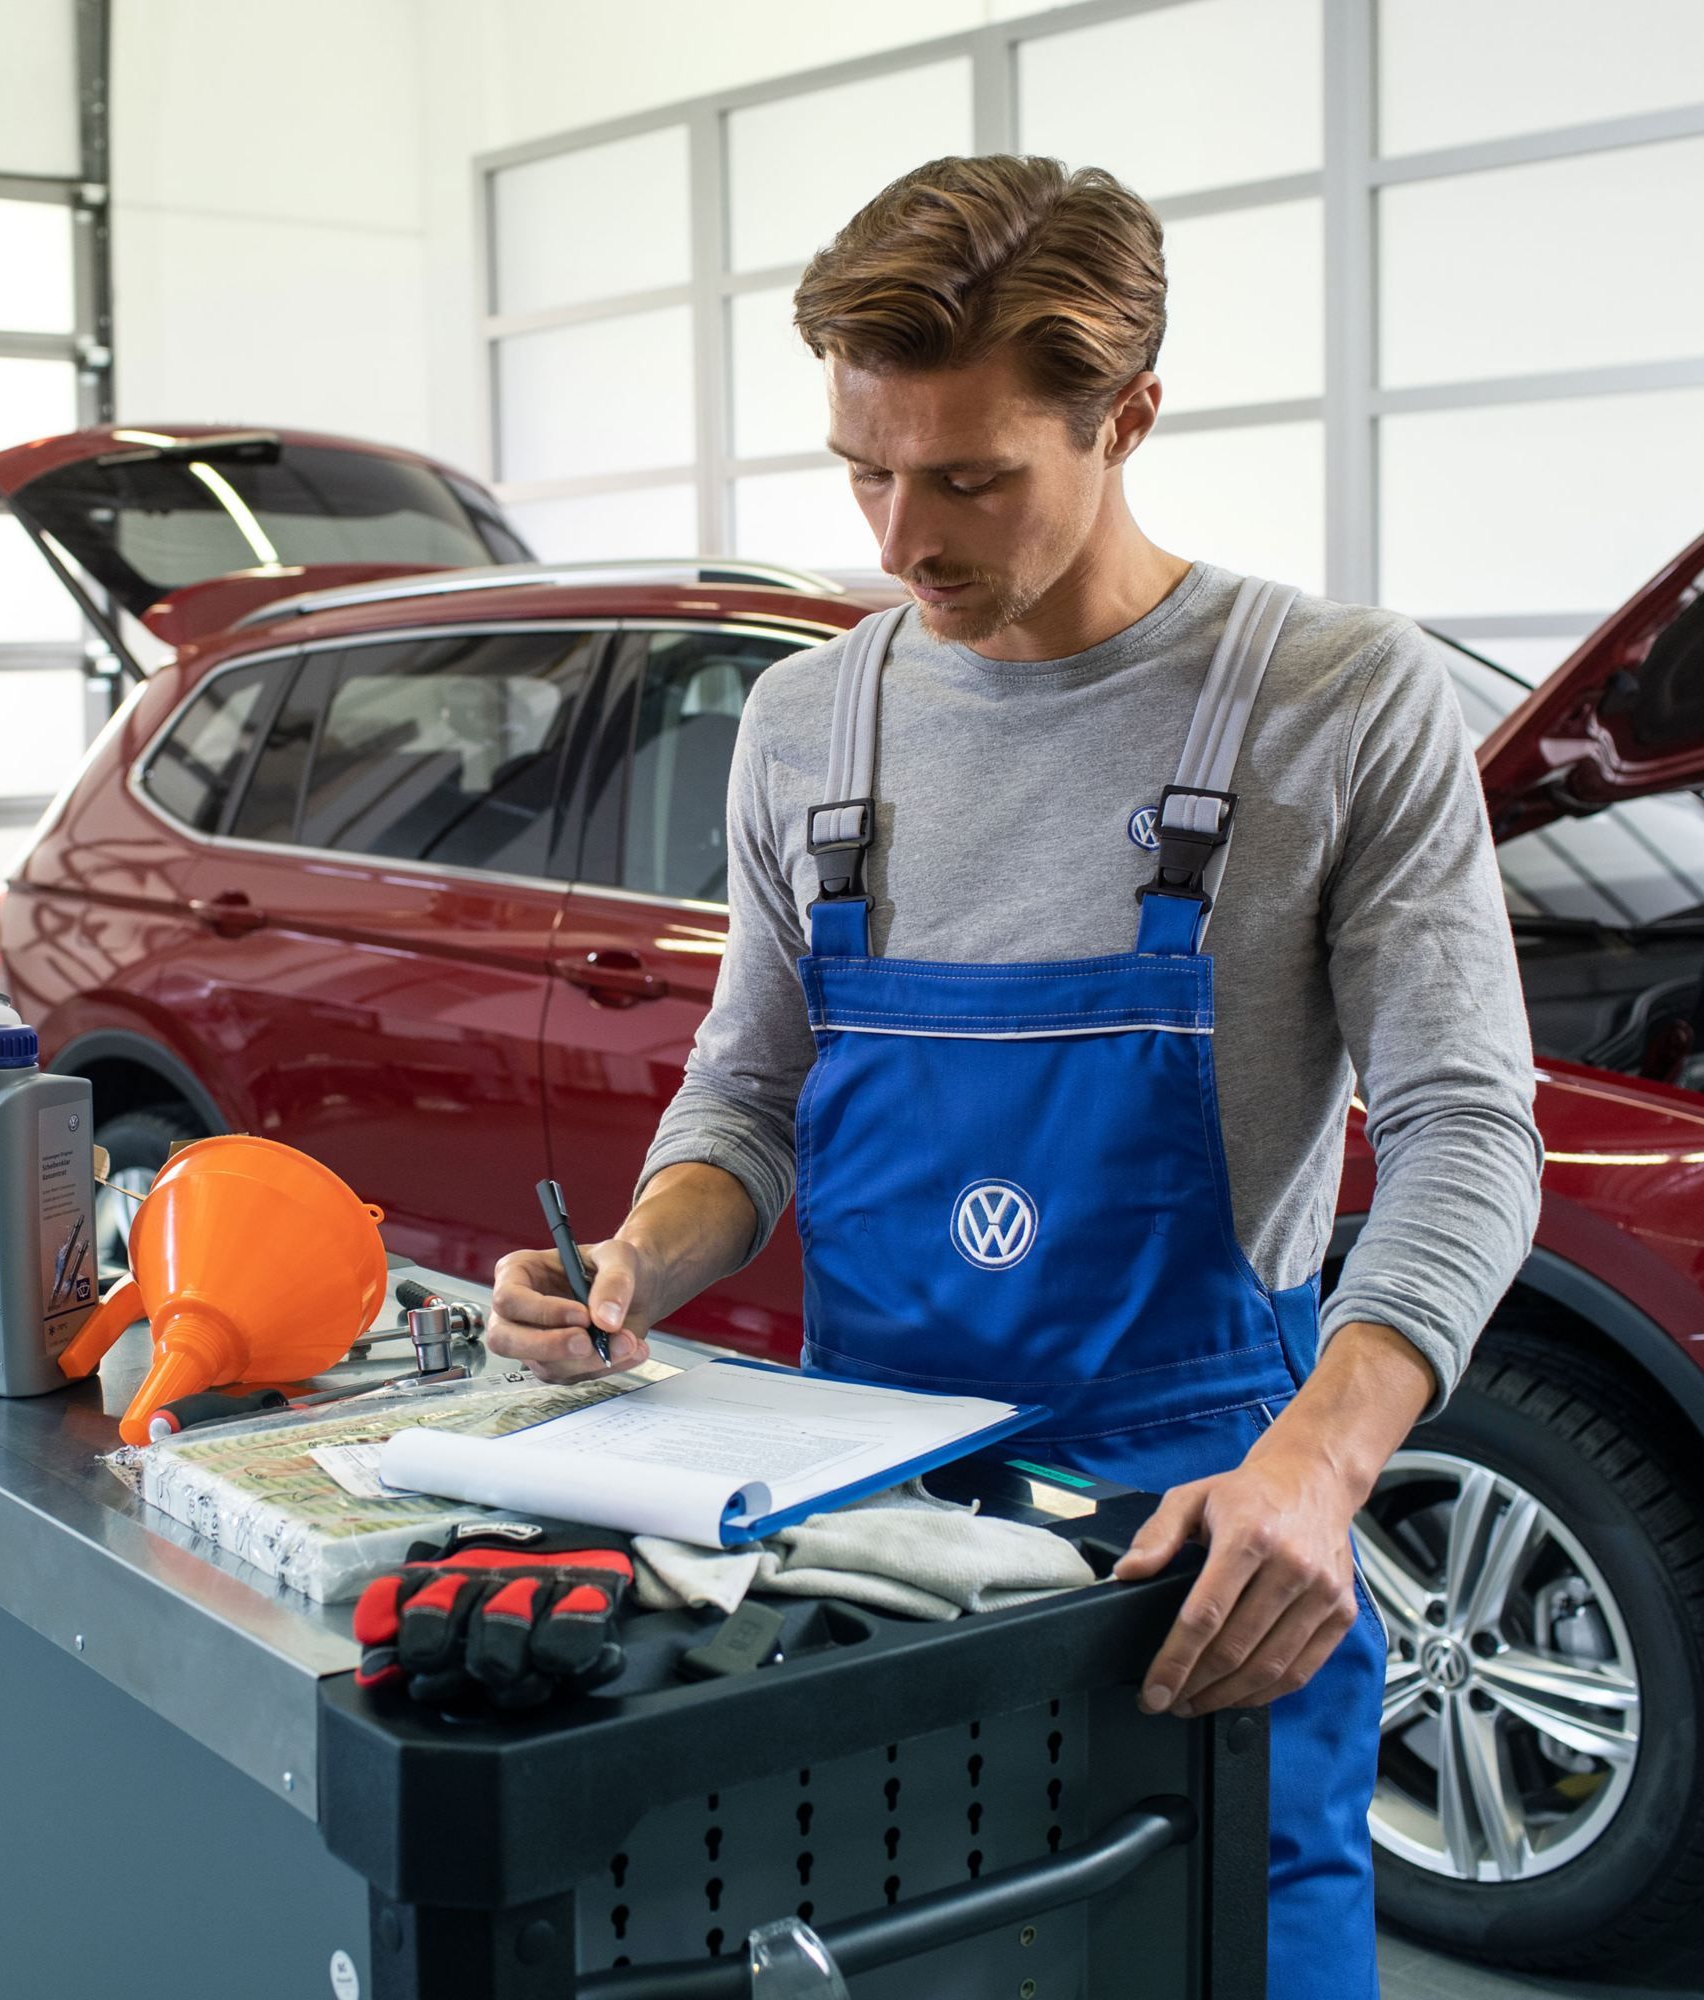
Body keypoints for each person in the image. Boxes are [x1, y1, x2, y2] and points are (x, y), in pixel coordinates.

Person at [486, 153, 1544, 1997]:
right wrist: (642, 1262)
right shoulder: (811, 723)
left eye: (969, 478)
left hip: (1207, 1556)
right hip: (867, 1557)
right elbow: (748, 1091)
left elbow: (1469, 1133)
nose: (899, 540)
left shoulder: (1333, 699)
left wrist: (1322, 1466)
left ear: (1129, 416)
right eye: (865, 471)